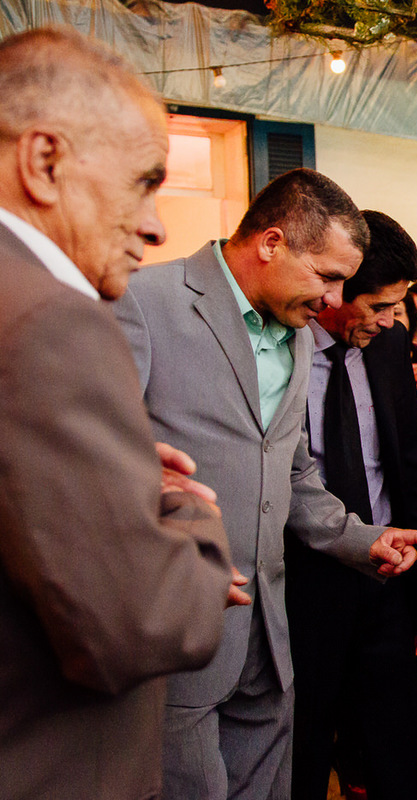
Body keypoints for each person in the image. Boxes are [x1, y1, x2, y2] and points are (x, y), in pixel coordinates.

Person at [114, 168, 417, 799]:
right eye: (327, 276)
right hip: (180, 633)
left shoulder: (292, 335)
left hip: (269, 638)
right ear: (271, 243)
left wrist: (360, 540)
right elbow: (89, 460)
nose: (333, 298)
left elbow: (293, 471)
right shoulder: (145, 301)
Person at [0, 27, 235, 799]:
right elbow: (138, 623)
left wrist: (107, 481)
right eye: (143, 182)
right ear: (45, 162)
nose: (158, 226)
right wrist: (179, 515)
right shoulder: (49, 322)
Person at [286, 209, 417, 800]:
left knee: (393, 753)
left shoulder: (388, 348)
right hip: (302, 581)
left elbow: (408, 463)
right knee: (301, 749)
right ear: (333, 288)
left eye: (398, 306)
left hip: (386, 575)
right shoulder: (284, 348)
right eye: (378, 305)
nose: (390, 321)